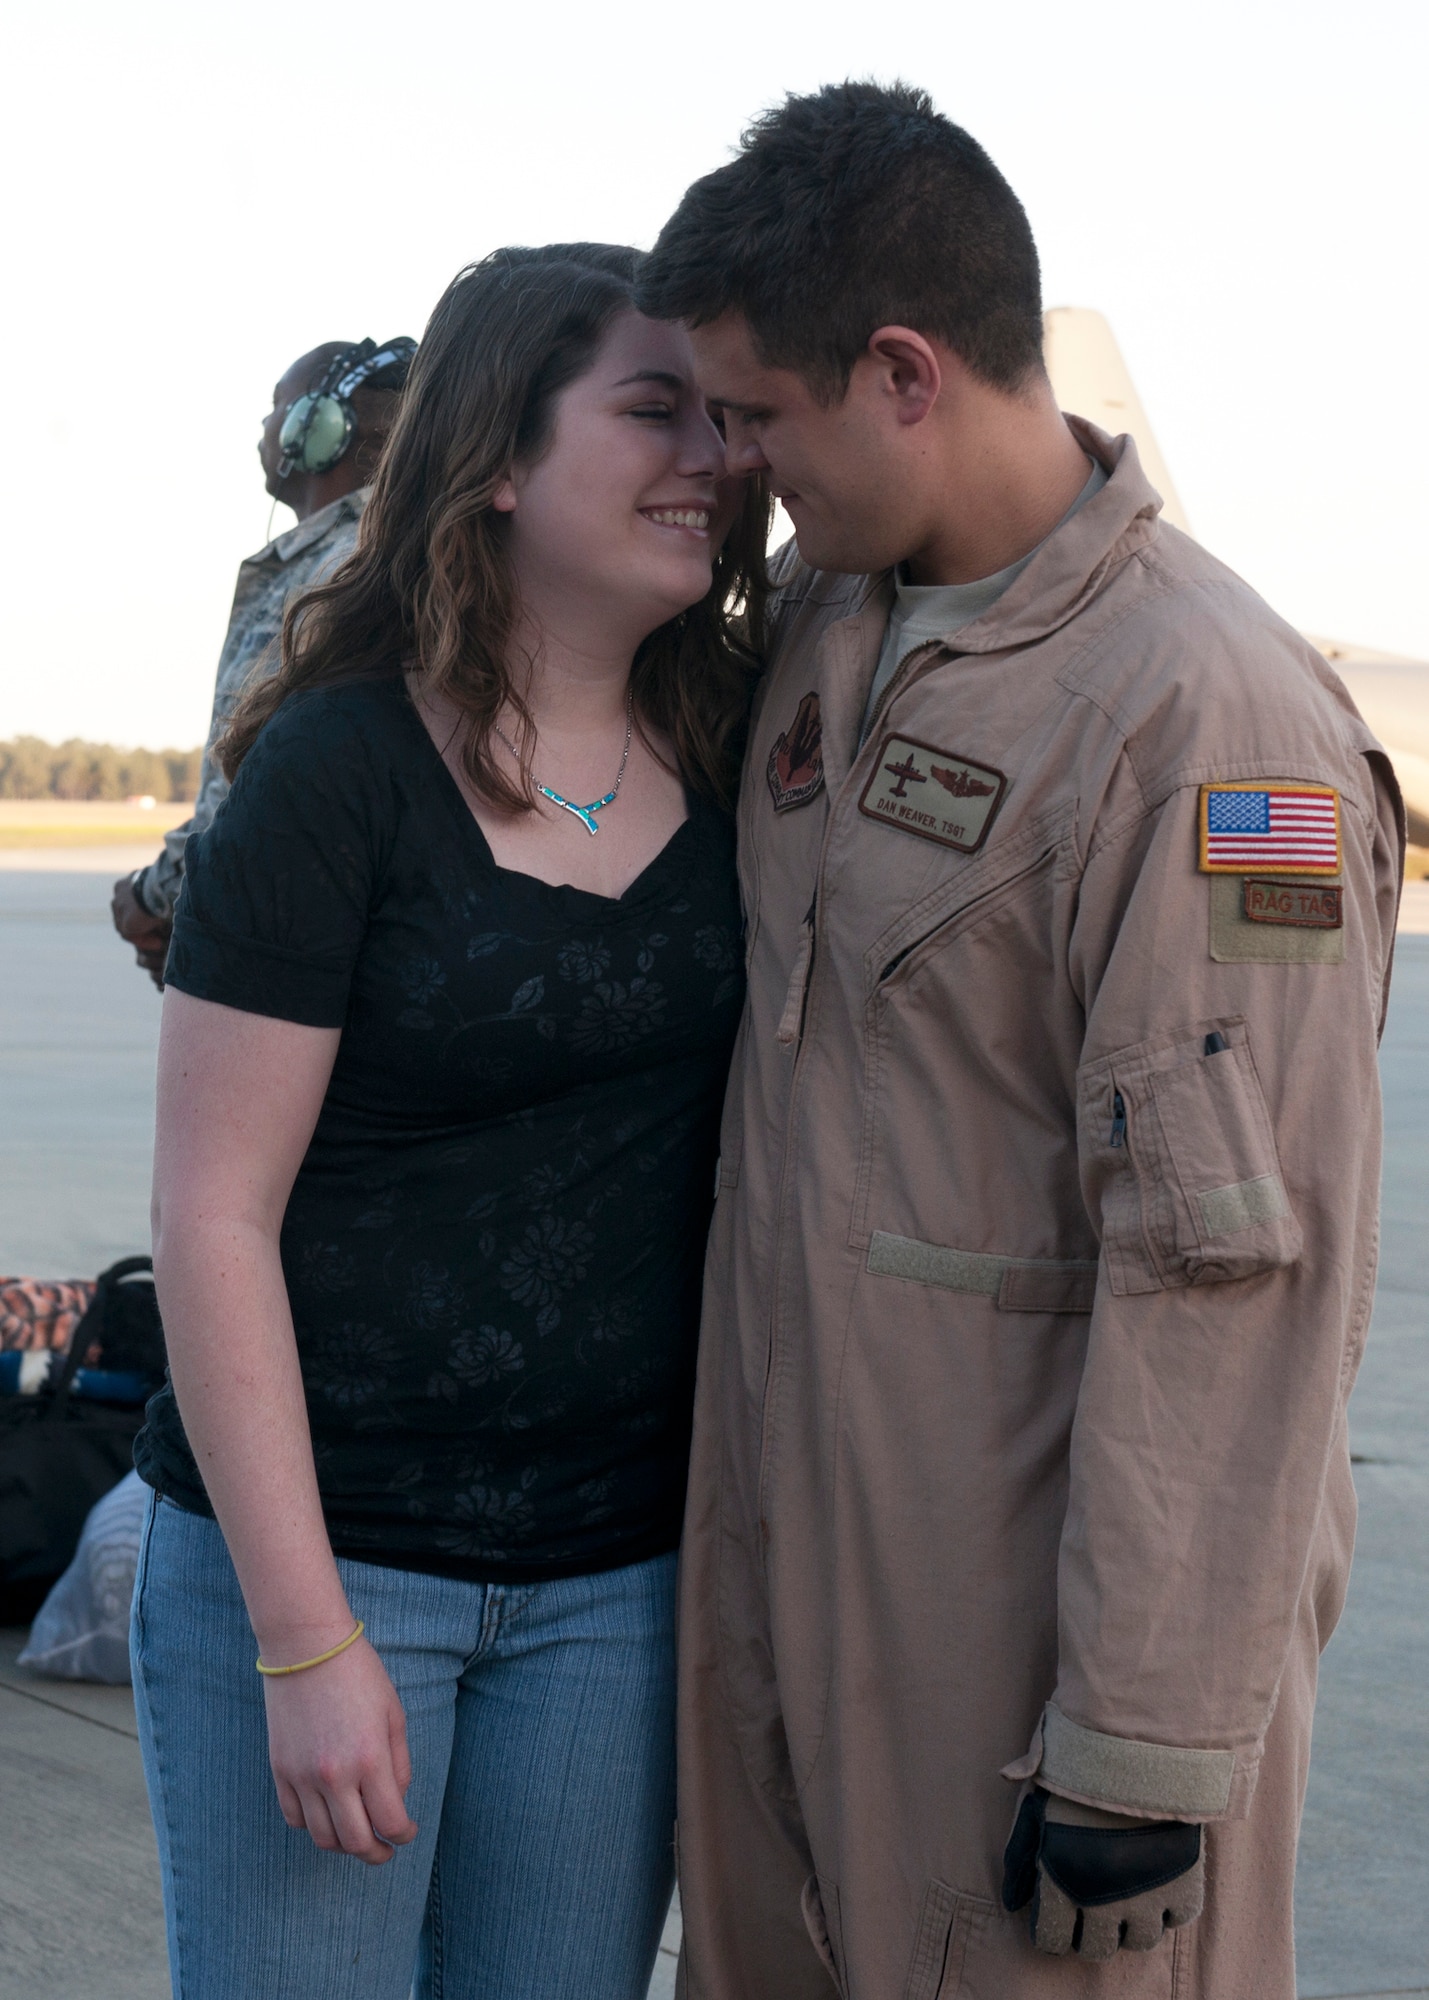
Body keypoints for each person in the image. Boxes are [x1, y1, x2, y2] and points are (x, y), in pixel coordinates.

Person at [636, 82, 1405, 1998]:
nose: (733, 467)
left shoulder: (1212, 724)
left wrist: (1136, 1737)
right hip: (791, 1552)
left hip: (1030, 1631)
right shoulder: (833, 622)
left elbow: (1234, 1258)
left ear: (900, 371)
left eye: (756, 415)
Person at [129, 244, 768, 1999]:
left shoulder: (739, 756)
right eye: (651, 409)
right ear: (496, 454)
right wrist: (300, 1636)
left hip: (611, 1596)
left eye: (722, 417)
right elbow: (209, 1220)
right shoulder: (333, 778)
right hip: (336, 1568)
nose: (707, 451)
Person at [110, 336, 415, 984]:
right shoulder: (378, 551)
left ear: (322, 426)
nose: (265, 425)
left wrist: (152, 897)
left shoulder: (337, 572)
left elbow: (247, 778)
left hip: (272, 933)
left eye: (279, 405)